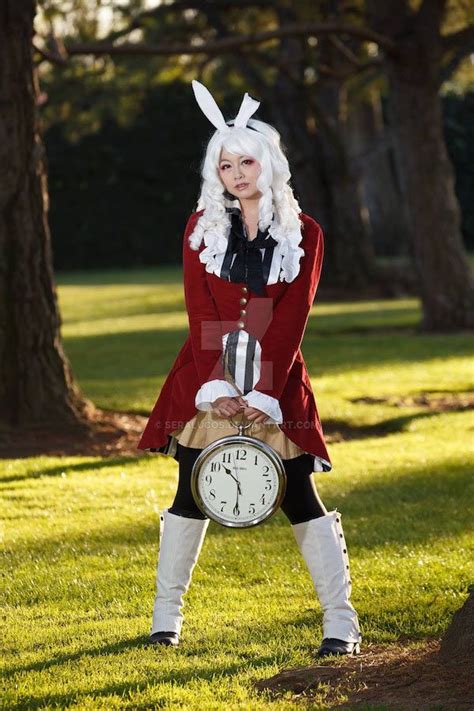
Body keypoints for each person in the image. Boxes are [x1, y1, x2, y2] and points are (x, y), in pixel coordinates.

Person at [137, 80, 361, 657]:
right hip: (205, 378)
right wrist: (217, 386)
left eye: (248, 161)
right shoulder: (200, 230)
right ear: (217, 172)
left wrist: (261, 392)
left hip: (277, 378)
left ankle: (341, 623)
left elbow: (288, 321)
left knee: (299, 496)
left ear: (270, 164)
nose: (238, 172)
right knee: (190, 490)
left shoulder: (303, 234)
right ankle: (166, 621)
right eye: (227, 164)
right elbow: (201, 309)